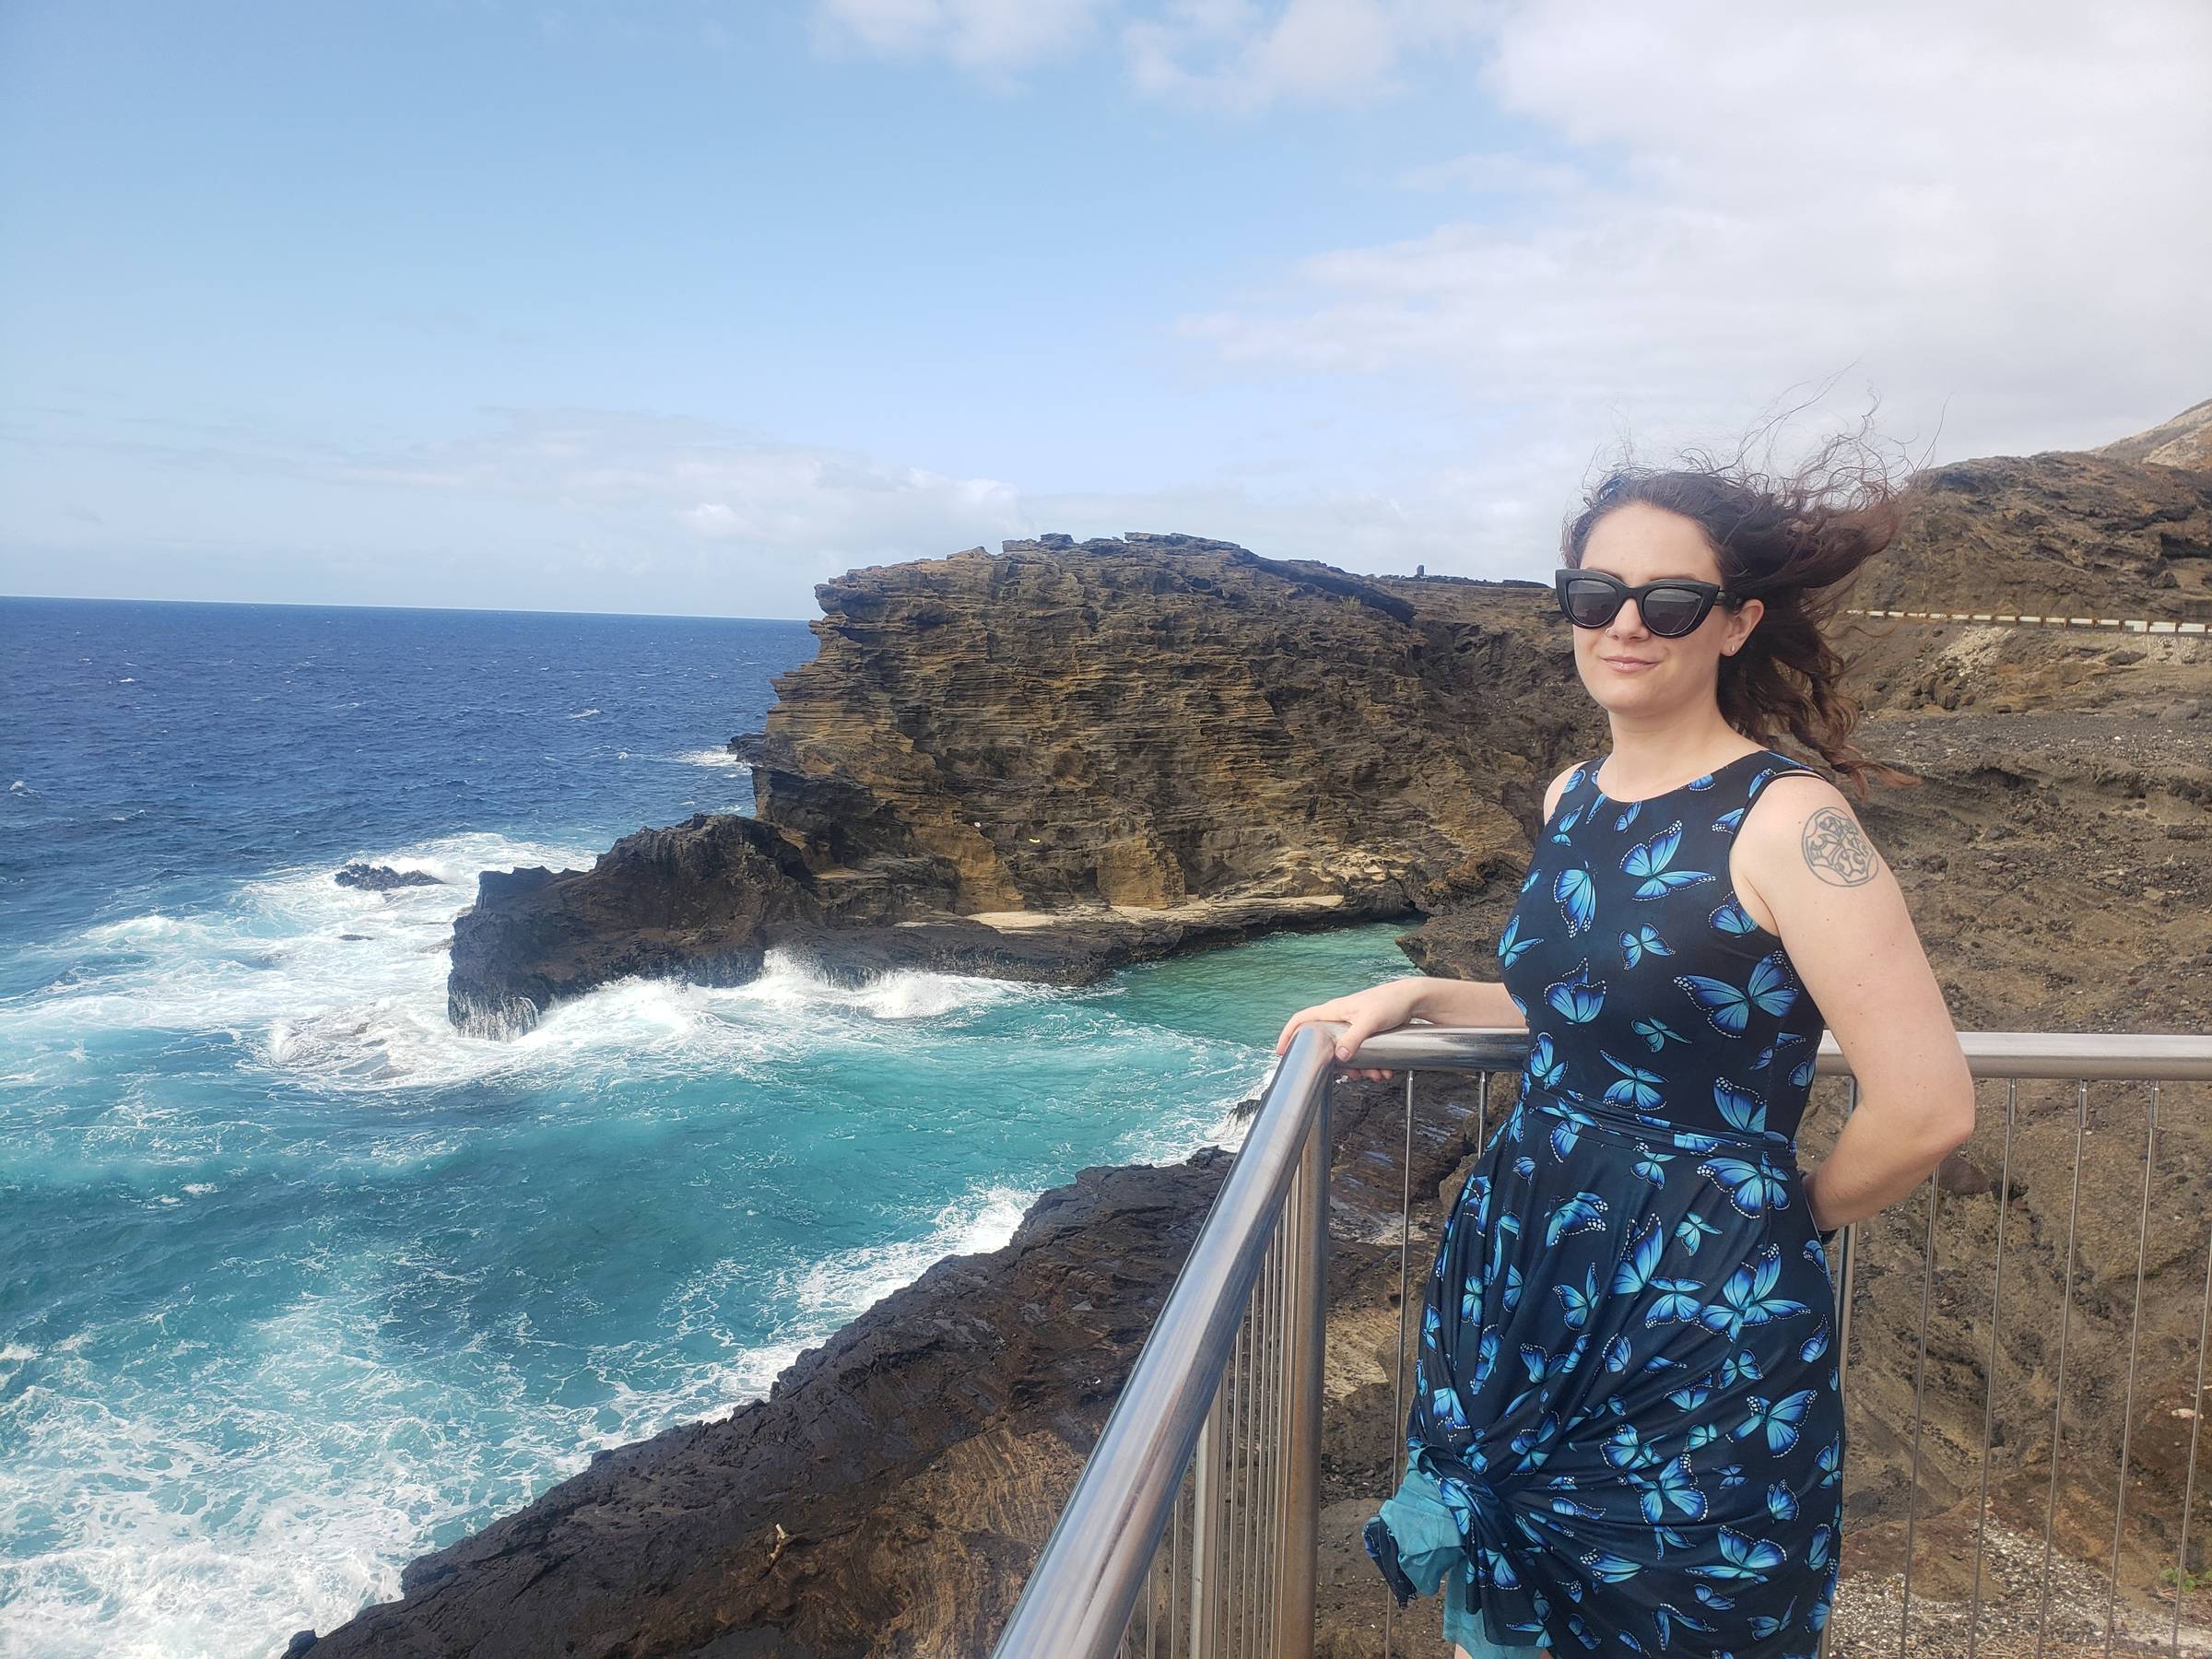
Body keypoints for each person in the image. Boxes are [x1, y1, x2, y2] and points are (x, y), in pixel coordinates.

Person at [1274, 438, 1977, 1658]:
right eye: (1596, 598)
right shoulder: (1573, 799)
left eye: (1669, 601)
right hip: (1531, 1281)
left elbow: (1925, 1107)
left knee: (1678, 1601)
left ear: (1736, 621)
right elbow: (1581, 1008)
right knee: (1519, 1606)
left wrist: (1769, 1225)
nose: (1627, 626)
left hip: (1700, 1321)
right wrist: (1414, 992)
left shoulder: (1789, 821)